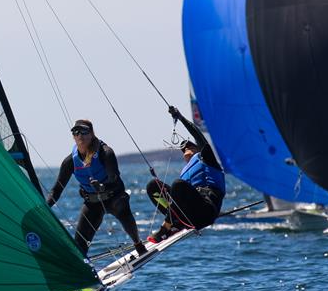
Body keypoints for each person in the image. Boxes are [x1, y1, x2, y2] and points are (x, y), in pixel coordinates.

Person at [47, 119, 147, 257]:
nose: (80, 135)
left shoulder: (106, 152)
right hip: (92, 202)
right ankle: (84, 269)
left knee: (123, 210)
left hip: (114, 197)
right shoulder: (70, 161)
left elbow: (114, 178)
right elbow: (56, 190)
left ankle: (138, 244)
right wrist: (45, 207)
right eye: (76, 132)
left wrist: (101, 186)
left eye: (83, 131)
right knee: (80, 245)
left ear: (92, 134)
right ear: (73, 136)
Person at [146, 106, 225, 243]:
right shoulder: (186, 170)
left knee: (178, 185)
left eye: (189, 146)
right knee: (153, 186)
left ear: (197, 148)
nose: (185, 148)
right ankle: (176, 223)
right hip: (187, 213)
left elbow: (198, 135)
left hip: (206, 211)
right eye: (183, 149)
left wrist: (180, 118)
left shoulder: (207, 158)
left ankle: (166, 228)